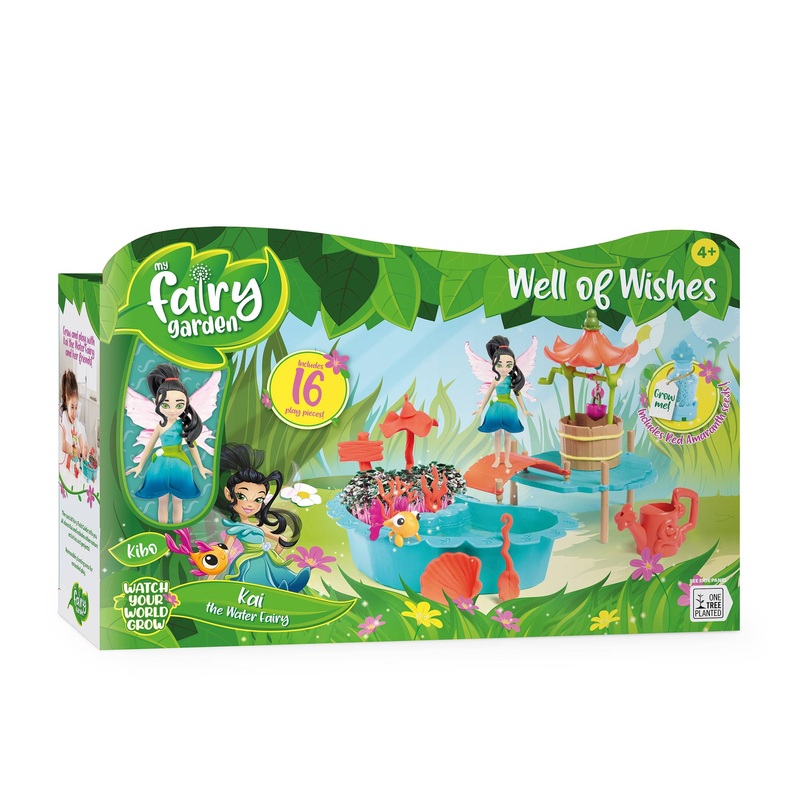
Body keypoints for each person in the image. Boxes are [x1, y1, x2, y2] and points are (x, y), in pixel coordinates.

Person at [217, 443, 310, 593]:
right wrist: (211, 574)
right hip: (247, 562)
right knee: (253, 581)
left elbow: (281, 539)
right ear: (229, 494)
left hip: (264, 558)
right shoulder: (235, 528)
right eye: (242, 496)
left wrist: (274, 554)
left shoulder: (258, 525)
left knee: (276, 575)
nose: (250, 504)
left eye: (258, 499)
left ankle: (288, 585)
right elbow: (223, 553)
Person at [126, 364, 212, 524]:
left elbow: (192, 446)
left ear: (187, 402)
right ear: (156, 403)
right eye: (165, 405)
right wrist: (140, 466)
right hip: (160, 466)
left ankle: (177, 531)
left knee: (178, 502)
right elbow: (149, 446)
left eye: (179, 405)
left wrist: (201, 467)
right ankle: (163, 529)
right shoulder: (160, 426)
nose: (172, 410)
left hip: (180, 465)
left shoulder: (183, 425)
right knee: (162, 501)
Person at [473, 336, 534, 469]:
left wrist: (524, 409)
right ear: (494, 363)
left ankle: (506, 459)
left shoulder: (511, 379)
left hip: (509, 408)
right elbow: (487, 395)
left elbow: (518, 394)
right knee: (497, 435)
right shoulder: (495, 380)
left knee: (507, 435)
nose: (504, 368)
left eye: (509, 365)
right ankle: (497, 459)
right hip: (495, 408)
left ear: (513, 364)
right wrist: (481, 408)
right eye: (500, 365)